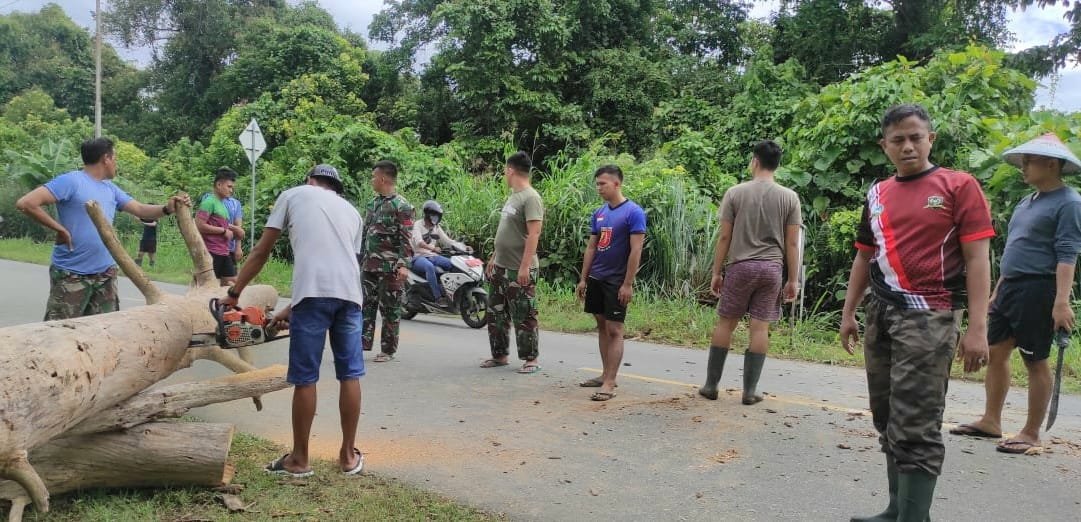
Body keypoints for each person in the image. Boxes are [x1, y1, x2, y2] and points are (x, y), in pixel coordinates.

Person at [840, 104, 994, 522]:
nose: (907, 146)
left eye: (915, 137)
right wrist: (849, 312)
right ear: (884, 146)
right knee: (887, 416)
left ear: (931, 139)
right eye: (898, 140)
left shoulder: (958, 186)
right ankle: (897, 510)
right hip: (881, 314)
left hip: (931, 316)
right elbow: (864, 255)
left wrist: (977, 328)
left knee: (917, 424)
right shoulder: (877, 193)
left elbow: (978, 259)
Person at [221, 164, 365, 478]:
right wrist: (290, 310)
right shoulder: (353, 213)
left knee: (305, 378)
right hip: (351, 297)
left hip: (312, 298)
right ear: (336, 189)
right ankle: (348, 456)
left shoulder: (294, 194)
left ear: (310, 181)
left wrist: (234, 293)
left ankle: (299, 460)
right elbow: (338, 267)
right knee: (350, 374)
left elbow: (261, 251)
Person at [950, 133, 1081, 454]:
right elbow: (1015, 249)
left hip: (1039, 288)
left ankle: (1031, 432)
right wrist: (997, 291)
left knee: (1035, 359)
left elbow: (1067, 253)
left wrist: (1061, 301)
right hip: (1010, 287)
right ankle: (991, 420)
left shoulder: (1069, 202)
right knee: (996, 352)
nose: (1023, 167)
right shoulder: (1027, 202)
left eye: (1029, 161)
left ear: (1051, 165)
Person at [15, 137, 187, 320]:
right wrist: (60, 230)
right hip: (72, 275)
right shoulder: (71, 181)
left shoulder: (110, 189)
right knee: (60, 330)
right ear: (106, 158)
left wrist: (168, 208)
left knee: (105, 330)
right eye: (115, 159)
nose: (116, 164)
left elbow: (140, 209)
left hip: (105, 275)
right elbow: (26, 203)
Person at [698, 140, 801, 405]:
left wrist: (716, 272)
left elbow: (724, 237)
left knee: (726, 323)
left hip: (740, 267)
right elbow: (792, 243)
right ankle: (750, 391)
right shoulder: (790, 197)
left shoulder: (735, 193)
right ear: (777, 165)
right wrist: (793, 279)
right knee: (759, 327)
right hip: (771, 269)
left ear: (754, 161)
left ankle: (711, 385)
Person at [575, 165, 646, 401]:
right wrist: (583, 278)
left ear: (617, 184)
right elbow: (592, 247)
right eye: (597, 184)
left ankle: (609, 383)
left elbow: (636, 250)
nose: (599, 188)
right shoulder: (599, 213)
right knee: (602, 325)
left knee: (615, 329)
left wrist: (628, 283)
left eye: (602, 184)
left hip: (616, 280)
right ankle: (605, 374)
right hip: (597, 277)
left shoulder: (633, 212)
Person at [481, 151, 544, 374]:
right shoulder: (513, 196)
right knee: (496, 313)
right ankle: (499, 355)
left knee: (524, 314)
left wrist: (525, 267)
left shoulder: (531, 197)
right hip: (501, 266)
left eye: (504, 171)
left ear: (510, 170)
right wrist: (494, 257)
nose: (504, 175)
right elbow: (507, 231)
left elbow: (534, 234)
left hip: (519, 268)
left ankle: (531, 359)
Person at [361, 160, 415, 362]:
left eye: (373, 177)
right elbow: (365, 234)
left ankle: (388, 350)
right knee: (365, 306)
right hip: (369, 266)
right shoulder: (373, 204)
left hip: (390, 268)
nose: (371, 180)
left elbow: (407, 238)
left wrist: (403, 265)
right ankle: (360, 345)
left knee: (390, 310)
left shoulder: (402, 206)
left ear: (383, 178)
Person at [410, 200, 470, 307]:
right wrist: (433, 248)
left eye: (437, 216)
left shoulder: (436, 227)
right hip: (417, 257)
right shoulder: (417, 225)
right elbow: (419, 242)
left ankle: (450, 292)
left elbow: (448, 241)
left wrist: (464, 247)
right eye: (434, 216)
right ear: (428, 215)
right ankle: (438, 298)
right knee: (429, 267)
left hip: (432, 256)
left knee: (453, 264)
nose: (436, 219)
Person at [196, 167, 245, 286]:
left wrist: (236, 230)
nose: (231, 190)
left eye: (232, 188)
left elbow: (221, 224)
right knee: (208, 285)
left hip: (224, 251)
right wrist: (223, 231)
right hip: (211, 252)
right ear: (218, 185)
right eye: (229, 187)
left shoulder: (222, 205)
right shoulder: (208, 202)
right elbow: (199, 225)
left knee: (232, 282)